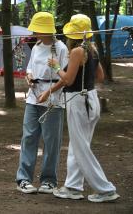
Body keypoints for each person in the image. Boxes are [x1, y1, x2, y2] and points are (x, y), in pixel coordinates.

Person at [49, 14, 120, 203]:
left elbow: (68, 79)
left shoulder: (77, 51)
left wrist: (56, 67)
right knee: (78, 145)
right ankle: (72, 187)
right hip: (91, 98)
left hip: (78, 101)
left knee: (81, 148)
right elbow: (100, 77)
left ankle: (105, 189)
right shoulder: (92, 49)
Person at [15, 12, 68, 194]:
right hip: (33, 97)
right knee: (29, 137)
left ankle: (48, 180)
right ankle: (23, 179)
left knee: (51, 140)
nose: (35, 32)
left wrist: (48, 92)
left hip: (53, 99)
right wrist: (29, 78)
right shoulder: (37, 46)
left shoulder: (60, 48)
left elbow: (66, 78)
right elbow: (30, 68)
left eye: (38, 29)